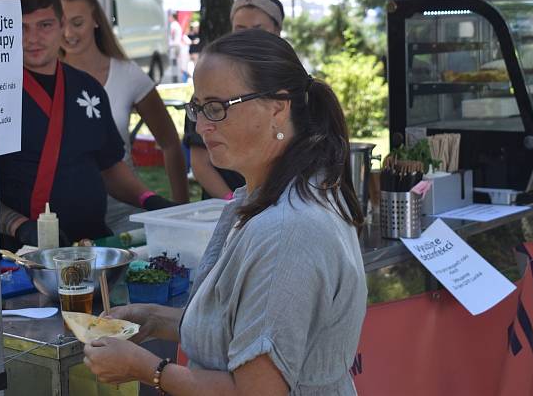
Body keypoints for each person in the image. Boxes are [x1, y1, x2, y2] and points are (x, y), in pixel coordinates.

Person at [83, 29, 368, 395]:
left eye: (217, 108)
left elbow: (257, 392)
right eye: (198, 108)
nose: (201, 126)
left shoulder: (287, 229)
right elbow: (239, 328)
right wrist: (153, 319)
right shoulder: (272, 196)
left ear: (278, 109)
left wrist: (146, 368)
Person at [0, 0, 174, 247]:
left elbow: (110, 166)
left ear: (62, 25)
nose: (33, 39)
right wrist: (19, 226)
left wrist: (149, 199)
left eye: (45, 25)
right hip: (16, 254)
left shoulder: (88, 88)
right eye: (21, 27)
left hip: (91, 247)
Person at [59, 0, 189, 232]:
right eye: (61, 22)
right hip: (66, 217)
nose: (68, 33)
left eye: (77, 23)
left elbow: (170, 142)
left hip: (124, 213)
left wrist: (180, 211)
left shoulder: (127, 74)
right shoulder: (47, 78)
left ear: (96, 21)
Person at [184, 0, 284, 199]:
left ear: (278, 31)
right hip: (224, 209)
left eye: (258, 30)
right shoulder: (207, 90)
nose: (249, 38)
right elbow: (200, 163)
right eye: (240, 29)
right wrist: (236, 206)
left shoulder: (294, 87)